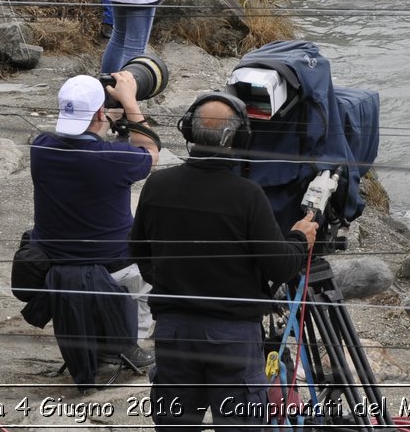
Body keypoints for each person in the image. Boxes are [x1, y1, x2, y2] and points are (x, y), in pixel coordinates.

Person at [130, 93, 318, 430]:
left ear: (189, 132)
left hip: (175, 332)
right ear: (238, 138)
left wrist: (175, 283)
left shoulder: (157, 186)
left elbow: (140, 253)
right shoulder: (247, 196)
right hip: (233, 338)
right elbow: (281, 266)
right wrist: (299, 240)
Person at [28, 72, 161, 374]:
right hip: (114, 266)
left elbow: (82, 141)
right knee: (146, 270)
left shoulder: (41, 148)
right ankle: (128, 346)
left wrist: (106, 115)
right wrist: (129, 100)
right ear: (100, 113)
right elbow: (151, 151)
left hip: (55, 265)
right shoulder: (115, 159)